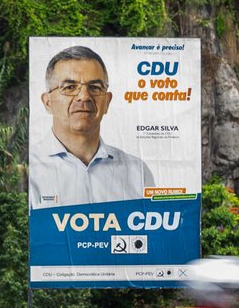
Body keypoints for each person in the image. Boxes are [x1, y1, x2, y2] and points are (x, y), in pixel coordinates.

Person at [28, 45, 154, 208]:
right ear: (47, 102)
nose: (84, 97)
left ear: (107, 102)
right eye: (70, 87)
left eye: (94, 87)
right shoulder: (28, 169)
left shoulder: (138, 173)